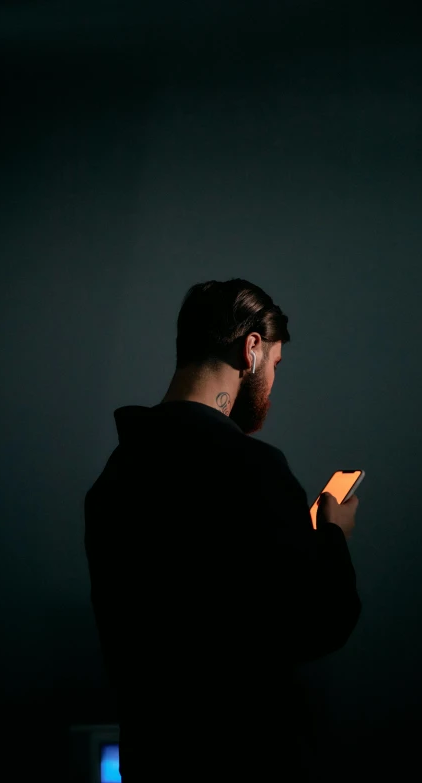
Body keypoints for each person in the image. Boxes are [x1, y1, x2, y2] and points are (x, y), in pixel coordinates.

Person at [84, 278, 361, 782]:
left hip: (155, 761)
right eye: (275, 365)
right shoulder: (253, 469)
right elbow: (321, 622)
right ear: (250, 348)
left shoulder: (115, 476)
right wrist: (332, 534)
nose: (273, 387)